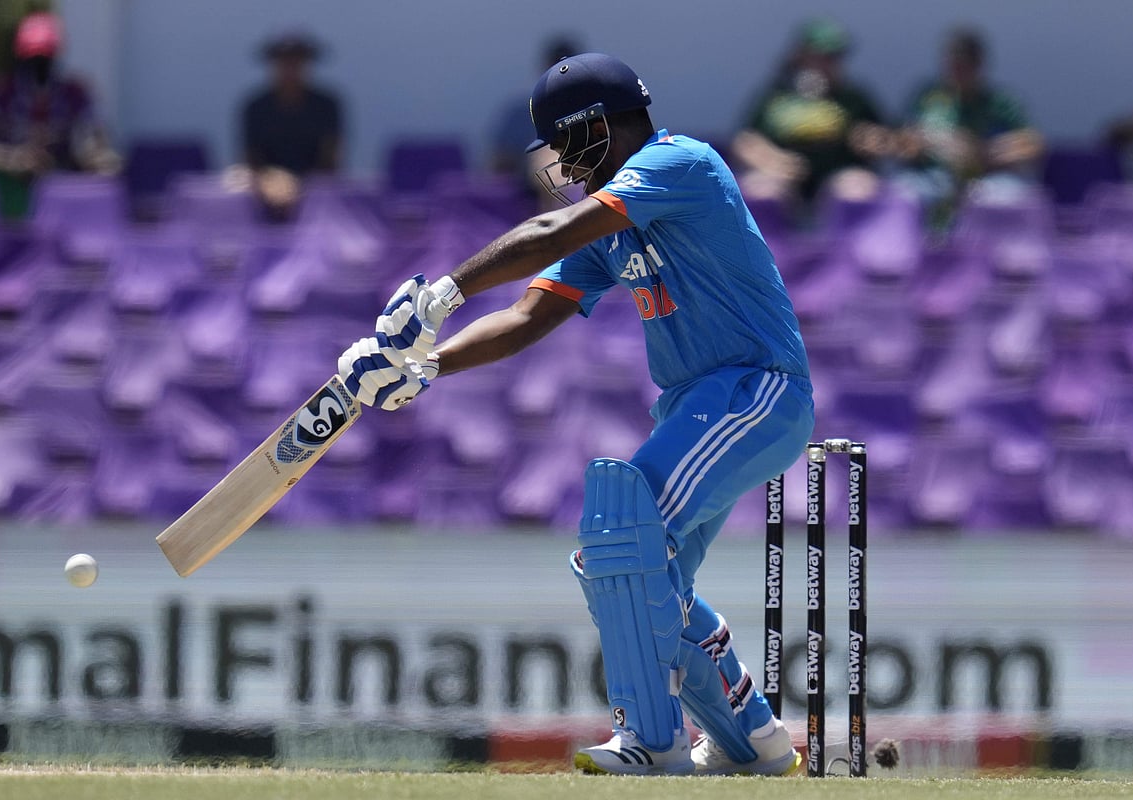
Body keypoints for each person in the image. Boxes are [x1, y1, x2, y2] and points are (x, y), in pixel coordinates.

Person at [338, 53, 813, 776]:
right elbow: (529, 315)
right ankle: (754, 742)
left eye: (565, 140)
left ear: (600, 125)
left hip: (755, 388)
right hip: (696, 405)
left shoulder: (679, 163)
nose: (560, 159)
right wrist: (427, 368)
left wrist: (441, 295)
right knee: (641, 572)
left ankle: (652, 742)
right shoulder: (613, 226)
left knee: (622, 532)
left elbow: (552, 232)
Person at [0, 10, 120, 219]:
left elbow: (95, 144)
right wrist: (14, 159)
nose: (39, 65)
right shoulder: (0, 91)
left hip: (62, 187)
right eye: (33, 56)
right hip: (10, 183)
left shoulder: (75, 93)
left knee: (106, 177)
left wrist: (96, 159)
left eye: (45, 56)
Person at [732, 17, 890, 217]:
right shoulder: (776, 96)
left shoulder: (852, 98)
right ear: (800, 56)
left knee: (857, 189)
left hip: (839, 176)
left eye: (833, 58)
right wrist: (771, 161)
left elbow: (884, 139)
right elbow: (745, 142)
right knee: (760, 189)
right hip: (785, 180)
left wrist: (872, 142)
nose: (825, 64)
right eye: (819, 57)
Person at [893, 27, 1044, 221]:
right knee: (901, 192)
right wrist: (935, 143)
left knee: (1013, 197)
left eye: (964, 66)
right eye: (952, 65)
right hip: (934, 178)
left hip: (987, 181)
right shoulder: (927, 97)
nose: (957, 72)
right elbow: (901, 140)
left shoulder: (1000, 102)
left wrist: (988, 151)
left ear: (979, 65)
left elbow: (1034, 145)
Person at [238, 31, 344, 220]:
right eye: (284, 61)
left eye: (297, 61)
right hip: (265, 187)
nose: (290, 67)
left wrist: (300, 186)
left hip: (316, 190)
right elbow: (251, 159)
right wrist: (269, 181)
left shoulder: (327, 105)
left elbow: (331, 160)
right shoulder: (255, 107)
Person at [488, 34, 582, 209]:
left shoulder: (597, 109)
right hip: (534, 190)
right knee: (550, 160)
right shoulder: (521, 114)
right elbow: (499, 165)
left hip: (589, 184)